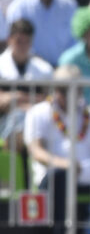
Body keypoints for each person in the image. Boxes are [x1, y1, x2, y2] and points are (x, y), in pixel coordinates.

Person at [24, 65, 90, 234]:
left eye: (76, 89)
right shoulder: (38, 112)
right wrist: (63, 164)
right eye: (63, 90)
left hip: (88, 177)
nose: (69, 94)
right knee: (61, 176)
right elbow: (36, 150)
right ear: (53, 89)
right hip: (52, 178)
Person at [0, 19, 52, 147]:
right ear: (9, 39)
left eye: (27, 42)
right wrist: (32, 101)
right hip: (4, 123)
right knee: (18, 117)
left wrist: (15, 97)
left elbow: (49, 101)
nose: (22, 46)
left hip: (37, 123)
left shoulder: (44, 69)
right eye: (18, 41)